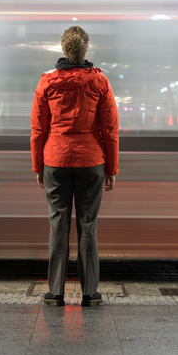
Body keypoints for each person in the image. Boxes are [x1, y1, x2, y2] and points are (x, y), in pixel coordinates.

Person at [30, 26, 119, 307]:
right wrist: (112, 169)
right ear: (85, 50)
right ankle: (90, 293)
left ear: (63, 49)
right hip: (91, 162)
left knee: (58, 224)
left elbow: (37, 130)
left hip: (54, 161)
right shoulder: (100, 82)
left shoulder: (46, 82)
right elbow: (110, 129)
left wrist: (37, 167)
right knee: (88, 226)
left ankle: (55, 292)